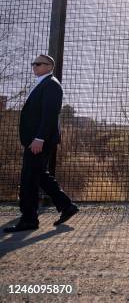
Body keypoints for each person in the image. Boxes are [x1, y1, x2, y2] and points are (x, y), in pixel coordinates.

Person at [3, 55, 78, 233]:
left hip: (39, 140)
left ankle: (29, 219)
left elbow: (50, 115)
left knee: (29, 178)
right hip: (35, 140)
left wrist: (40, 138)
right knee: (39, 174)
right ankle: (66, 206)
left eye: (38, 64)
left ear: (49, 66)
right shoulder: (42, 84)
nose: (34, 66)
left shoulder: (51, 85)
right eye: (33, 64)